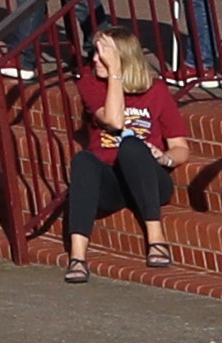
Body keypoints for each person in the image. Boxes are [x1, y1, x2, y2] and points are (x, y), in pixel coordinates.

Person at [57, 23, 199, 285]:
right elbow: (113, 121)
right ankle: (77, 257)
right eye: (95, 54)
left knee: (133, 147)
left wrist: (164, 158)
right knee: (83, 160)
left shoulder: (156, 90)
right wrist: (115, 76)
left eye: (103, 56)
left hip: (149, 178)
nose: (95, 60)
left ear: (122, 59)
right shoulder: (91, 84)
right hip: (112, 180)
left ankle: (156, 239)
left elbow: (180, 147)